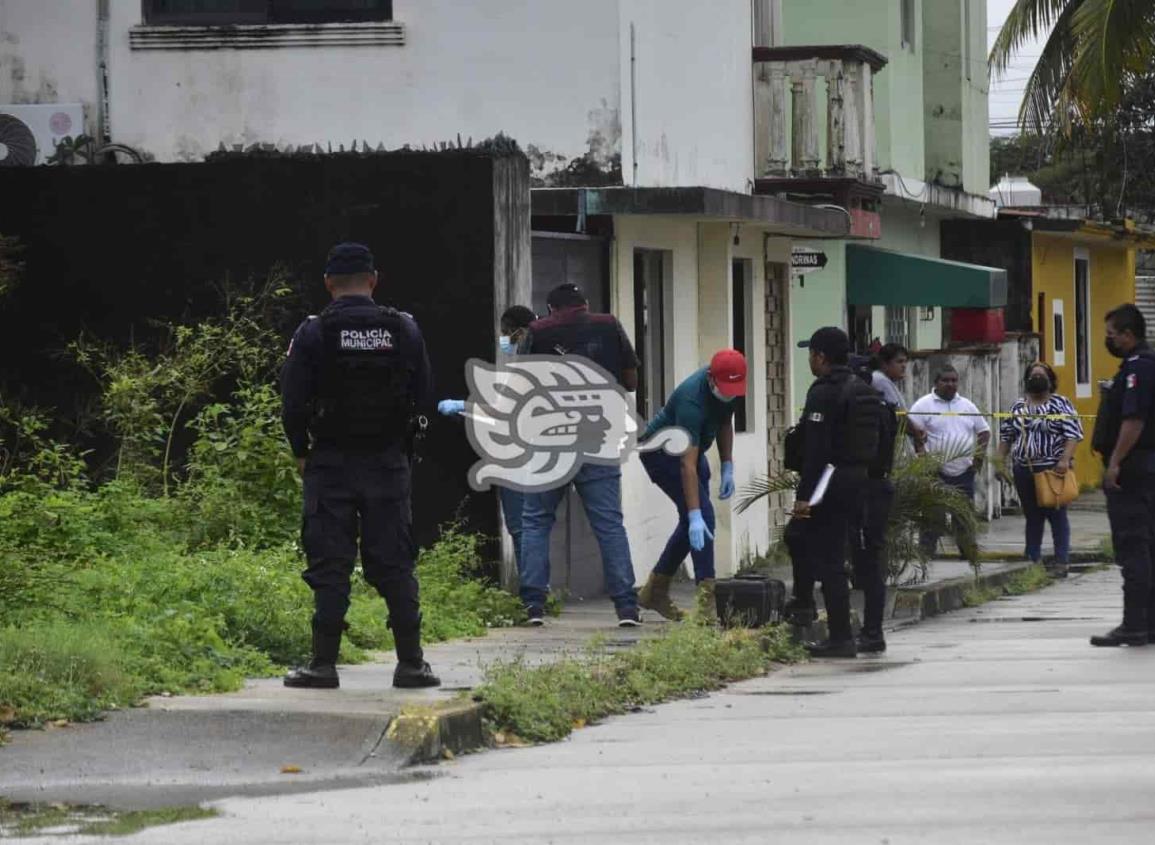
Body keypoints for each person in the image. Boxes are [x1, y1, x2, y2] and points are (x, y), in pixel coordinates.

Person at [280, 242, 439, 689]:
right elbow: (424, 392)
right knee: (395, 561)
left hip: (330, 463)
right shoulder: (404, 328)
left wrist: (300, 449)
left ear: (328, 283)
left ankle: (323, 664)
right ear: (373, 280)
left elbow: (292, 401)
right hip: (388, 463)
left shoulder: (313, 332)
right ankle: (411, 664)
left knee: (330, 562)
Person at [516, 283, 642, 627]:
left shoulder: (537, 332)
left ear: (551, 308)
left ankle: (533, 606)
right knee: (609, 523)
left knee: (535, 521)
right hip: (598, 437)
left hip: (549, 440)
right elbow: (631, 381)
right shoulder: (609, 325)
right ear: (584, 304)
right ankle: (626, 607)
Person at [786, 327, 882, 658]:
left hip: (828, 480)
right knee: (841, 552)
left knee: (819, 551)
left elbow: (815, 451)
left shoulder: (824, 392)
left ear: (821, 357)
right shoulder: (864, 389)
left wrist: (803, 499)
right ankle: (816, 611)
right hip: (861, 480)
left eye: (811, 354)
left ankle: (835, 632)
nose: (810, 360)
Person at [437, 305, 538, 612]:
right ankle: (535, 597)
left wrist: (463, 406)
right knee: (532, 528)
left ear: (518, 332)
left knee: (523, 529)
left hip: (519, 457)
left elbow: (504, 412)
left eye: (506, 333)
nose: (503, 339)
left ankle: (532, 600)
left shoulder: (524, 366)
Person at [635, 349, 747, 624]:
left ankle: (655, 591)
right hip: (662, 454)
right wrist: (696, 514)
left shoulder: (729, 385)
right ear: (711, 378)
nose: (730, 393)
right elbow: (686, 465)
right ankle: (706, 604)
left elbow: (724, 422)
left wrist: (728, 464)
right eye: (725, 389)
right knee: (701, 517)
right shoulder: (690, 401)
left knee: (693, 520)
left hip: (692, 452)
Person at [1089, 304, 1155, 647]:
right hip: (1147, 468)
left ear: (1128, 335)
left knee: (1133, 546)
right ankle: (1147, 623)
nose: (1108, 340)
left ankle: (1134, 624)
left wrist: (1115, 462)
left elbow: (1134, 420)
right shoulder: (1146, 365)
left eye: (1111, 334)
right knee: (1148, 546)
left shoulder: (1136, 369)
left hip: (1134, 470)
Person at [997, 362, 1084, 578]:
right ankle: (1031, 558)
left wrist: (1065, 459)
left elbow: (1073, 434)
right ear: (1026, 380)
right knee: (1032, 516)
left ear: (1050, 379)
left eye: (1041, 374)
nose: (1037, 378)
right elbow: (1006, 437)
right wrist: (998, 463)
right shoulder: (1018, 407)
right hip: (1024, 469)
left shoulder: (1061, 404)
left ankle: (1061, 561)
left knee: (1057, 515)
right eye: (1033, 375)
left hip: (1053, 468)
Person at [846, 358, 900, 654]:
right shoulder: (883, 409)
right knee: (868, 562)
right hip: (877, 487)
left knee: (867, 562)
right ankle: (870, 630)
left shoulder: (866, 410)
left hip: (868, 489)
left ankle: (872, 631)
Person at [908, 366, 991, 557]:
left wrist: (978, 459)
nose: (950, 384)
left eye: (954, 380)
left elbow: (984, 431)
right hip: (934, 471)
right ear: (936, 383)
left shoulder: (967, 405)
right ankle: (926, 553)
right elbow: (913, 432)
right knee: (933, 515)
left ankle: (968, 553)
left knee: (963, 515)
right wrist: (922, 460)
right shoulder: (923, 405)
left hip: (963, 470)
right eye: (945, 380)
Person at [869, 343, 925, 448]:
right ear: (885, 364)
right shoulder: (880, 380)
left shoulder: (886, 380)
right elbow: (898, 414)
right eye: (899, 362)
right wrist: (916, 432)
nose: (904, 366)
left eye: (905, 361)